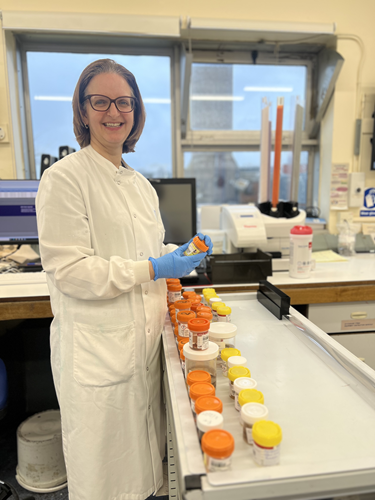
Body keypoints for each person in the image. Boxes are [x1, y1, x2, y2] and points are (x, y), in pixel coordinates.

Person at [36, 58, 212, 500]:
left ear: (135, 111)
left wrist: (178, 253)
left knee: (148, 475)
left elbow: (142, 252)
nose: (114, 112)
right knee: (105, 479)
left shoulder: (140, 186)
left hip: (144, 349)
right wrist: (154, 268)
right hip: (99, 357)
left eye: (124, 102)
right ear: (82, 110)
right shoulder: (64, 179)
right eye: (101, 101)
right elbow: (71, 272)